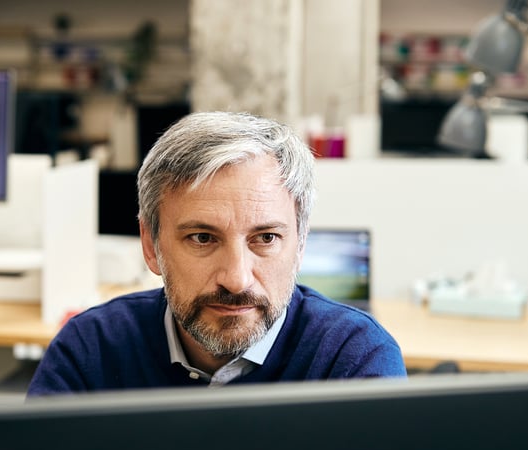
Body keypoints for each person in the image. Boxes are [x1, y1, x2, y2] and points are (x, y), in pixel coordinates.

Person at [27, 111, 406, 395]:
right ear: (151, 245)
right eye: (202, 239)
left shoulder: (353, 360)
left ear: (301, 244)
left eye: (267, 238)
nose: (237, 278)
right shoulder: (90, 351)